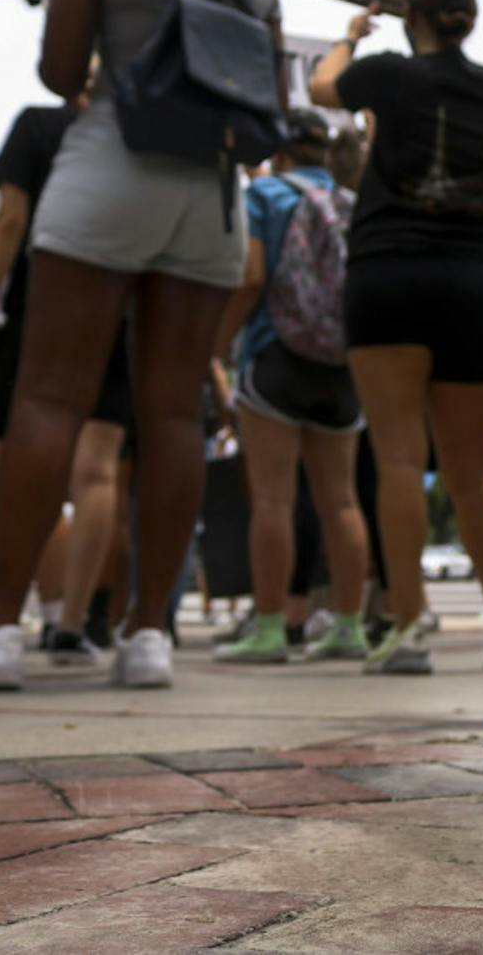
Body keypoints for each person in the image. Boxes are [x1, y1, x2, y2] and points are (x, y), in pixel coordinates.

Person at [0, 0, 282, 691]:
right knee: (170, 416)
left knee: (49, 398)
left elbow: (58, 71)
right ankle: (149, 632)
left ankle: (3, 630)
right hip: (209, 198)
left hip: (111, 169)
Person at [308, 0, 483, 675]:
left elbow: (320, 89)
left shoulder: (387, 74)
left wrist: (347, 36)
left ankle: (408, 628)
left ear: (411, 15)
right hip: (467, 282)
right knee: (471, 476)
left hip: (387, 277)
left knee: (398, 458)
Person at [212, 109, 370, 663]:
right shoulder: (353, 202)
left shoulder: (265, 194)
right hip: (340, 366)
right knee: (342, 500)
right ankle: (350, 625)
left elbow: (252, 276)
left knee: (274, 499)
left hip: (275, 359)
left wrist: (222, 344)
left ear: (279, 152)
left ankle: (271, 627)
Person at [0, 91, 133, 669]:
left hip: (43, 305)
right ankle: (69, 622)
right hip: (122, 309)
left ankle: (6, 626)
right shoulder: (146, 137)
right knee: (97, 470)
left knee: (26, 456)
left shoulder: (40, 126)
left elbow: (10, 219)